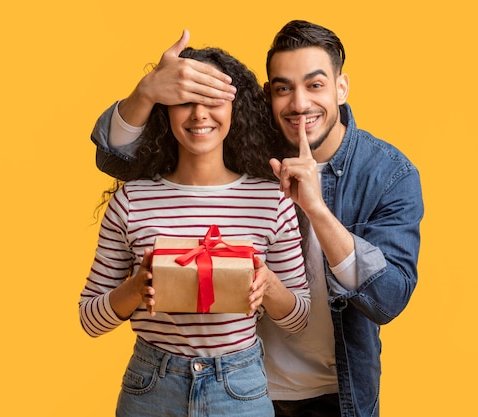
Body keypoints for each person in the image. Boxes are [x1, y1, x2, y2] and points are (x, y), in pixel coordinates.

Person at [89, 21, 424, 417]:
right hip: (242, 382)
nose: (299, 104)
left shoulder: (386, 173)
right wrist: (147, 92)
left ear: (341, 87)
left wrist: (317, 209)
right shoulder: (246, 143)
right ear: (267, 95)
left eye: (315, 85)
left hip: (336, 391)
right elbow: (116, 158)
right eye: (283, 88)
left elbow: (389, 297)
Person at [79, 46, 311, 417]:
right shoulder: (131, 201)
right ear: (166, 109)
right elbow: (90, 319)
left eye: (214, 100)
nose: (200, 114)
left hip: (239, 389)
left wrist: (267, 285)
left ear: (235, 109)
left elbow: (299, 317)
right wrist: (137, 287)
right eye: (186, 101)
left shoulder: (271, 200)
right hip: (150, 388)